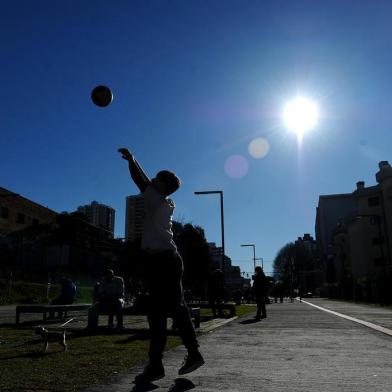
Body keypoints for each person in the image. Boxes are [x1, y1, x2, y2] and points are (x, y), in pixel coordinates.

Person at [119, 147, 204, 382]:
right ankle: (156, 365)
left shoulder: (156, 198)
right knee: (157, 314)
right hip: (161, 262)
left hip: (166, 261)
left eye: (157, 178)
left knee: (175, 309)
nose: (153, 180)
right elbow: (145, 181)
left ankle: (193, 353)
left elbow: (140, 179)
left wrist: (132, 160)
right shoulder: (161, 201)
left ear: (163, 185)